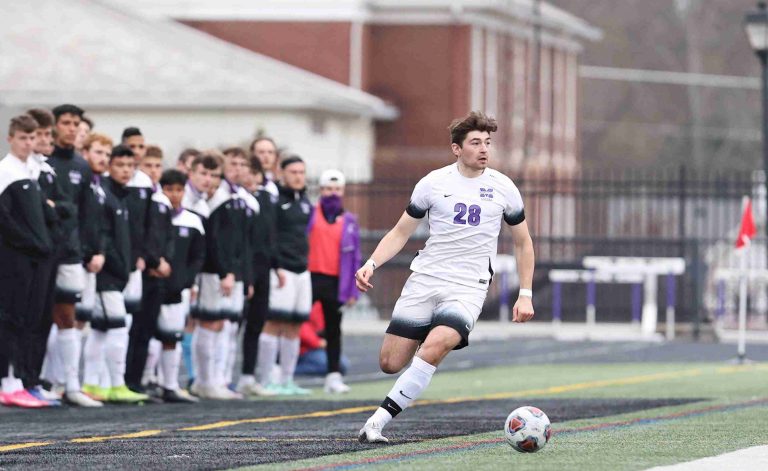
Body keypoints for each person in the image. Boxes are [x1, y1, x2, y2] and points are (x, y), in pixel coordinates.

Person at [355, 112, 535, 443]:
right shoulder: (433, 183)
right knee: (390, 362)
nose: (484, 149)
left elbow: (523, 243)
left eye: (488, 143)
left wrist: (526, 293)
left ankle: (376, 422)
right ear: (456, 148)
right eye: (476, 143)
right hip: (426, 278)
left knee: (435, 347)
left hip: (468, 286)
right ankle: (430, 339)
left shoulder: (503, 187)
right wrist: (371, 263)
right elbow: (399, 233)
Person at [81, 145, 149, 404]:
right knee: (118, 329)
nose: (125, 170)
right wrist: (112, 262)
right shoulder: (105, 194)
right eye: (120, 165)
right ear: (110, 166)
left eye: (130, 166)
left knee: (100, 330)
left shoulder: (122, 196)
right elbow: (102, 235)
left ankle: (93, 384)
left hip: (118, 274)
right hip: (106, 275)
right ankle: (116, 383)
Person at [0, 115, 55, 408]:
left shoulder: (31, 173)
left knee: (27, 320)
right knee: (10, 318)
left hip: (33, 258)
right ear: (11, 138)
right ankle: (7, 382)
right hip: (14, 257)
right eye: (22, 138)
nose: (28, 143)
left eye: (32, 138)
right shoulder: (5, 171)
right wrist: (30, 242)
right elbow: (5, 220)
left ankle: (20, 380)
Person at [47, 104, 97, 406]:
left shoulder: (82, 165)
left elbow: (88, 215)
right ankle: (40, 382)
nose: (71, 128)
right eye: (65, 122)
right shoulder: (41, 162)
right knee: (38, 317)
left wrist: (91, 250)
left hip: (70, 252)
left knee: (68, 316)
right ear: (54, 126)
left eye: (75, 123)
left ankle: (71, 385)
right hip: (40, 252)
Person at [192, 150, 252, 400]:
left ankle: (216, 379)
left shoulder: (235, 198)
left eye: (214, 174)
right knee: (210, 323)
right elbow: (214, 242)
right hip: (211, 272)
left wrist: (238, 273)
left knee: (222, 326)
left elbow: (239, 241)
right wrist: (223, 271)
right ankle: (204, 381)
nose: (210, 179)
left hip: (227, 272)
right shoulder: (211, 201)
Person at [257, 156, 313, 396]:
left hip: (302, 269)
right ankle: (266, 379)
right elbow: (268, 236)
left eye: (302, 171)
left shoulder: (305, 202)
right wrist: (276, 265)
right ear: (282, 173)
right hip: (281, 270)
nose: (298, 176)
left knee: (295, 324)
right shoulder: (275, 201)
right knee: (274, 323)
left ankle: (287, 380)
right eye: (293, 172)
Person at [125, 145, 173, 394]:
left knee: (147, 330)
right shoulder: (139, 193)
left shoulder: (160, 197)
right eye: (148, 166)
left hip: (158, 272)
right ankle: (126, 380)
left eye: (157, 166)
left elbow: (165, 236)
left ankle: (138, 380)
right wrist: (152, 260)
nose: (153, 171)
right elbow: (138, 231)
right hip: (143, 269)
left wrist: (164, 261)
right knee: (133, 328)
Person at [307, 169, 360, 393]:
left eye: (337, 189)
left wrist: (352, 291)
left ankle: (333, 377)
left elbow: (355, 255)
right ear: (321, 190)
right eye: (328, 189)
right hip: (309, 277)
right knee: (291, 323)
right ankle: (279, 372)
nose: (333, 193)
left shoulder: (349, 221)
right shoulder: (310, 214)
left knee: (334, 330)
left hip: (335, 281)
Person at [156, 169, 205, 403]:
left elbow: (197, 257)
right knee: (146, 337)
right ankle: (147, 380)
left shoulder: (192, 221)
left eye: (179, 190)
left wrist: (187, 280)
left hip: (177, 288)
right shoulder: (154, 215)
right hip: (153, 285)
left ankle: (170, 384)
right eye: (169, 189)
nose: (174, 195)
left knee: (172, 336)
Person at [237, 158, 279, 397]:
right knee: (232, 324)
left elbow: (268, 236)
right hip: (244, 270)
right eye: (245, 170)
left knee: (255, 323)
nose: (249, 175)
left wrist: (276, 265)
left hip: (262, 269)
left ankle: (247, 376)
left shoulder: (264, 199)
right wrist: (247, 275)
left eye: (253, 172)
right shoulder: (237, 202)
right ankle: (216, 377)